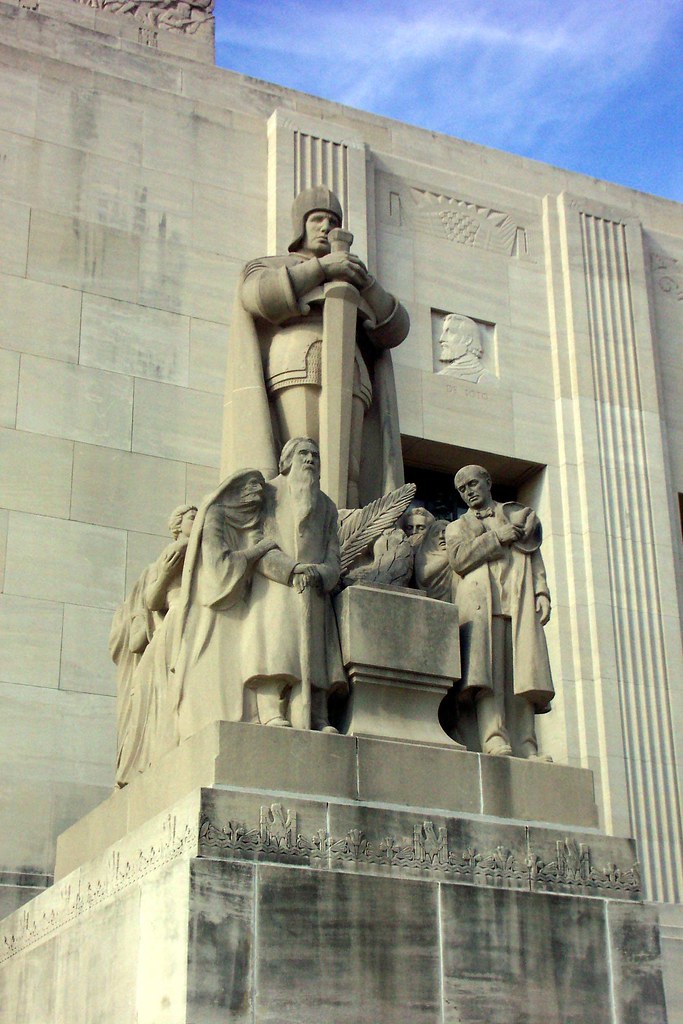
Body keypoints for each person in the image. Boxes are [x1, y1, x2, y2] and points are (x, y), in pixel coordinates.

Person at [222, 186, 410, 507]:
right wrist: (321, 270)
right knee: (303, 456)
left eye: (333, 221)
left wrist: (363, 281)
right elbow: (257, 296)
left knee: (349, 472)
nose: (326, 227)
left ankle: (344, 536)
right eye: (318, 219)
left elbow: (396, 326)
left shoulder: (357, 279)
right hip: (297, 366)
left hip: (351, 374)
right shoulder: (273, 265)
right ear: (301, 226)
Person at [445, 465, 554, 760]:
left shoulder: (516, 516)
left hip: (517, 604)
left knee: (523, 676)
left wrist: (541, 592)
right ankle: (493, 738)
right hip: (482, 608)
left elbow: (534, 558)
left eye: (472, 483)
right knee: (489, 677)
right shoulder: (457, 527)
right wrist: (497, 538)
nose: (468, 491)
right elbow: (459, 559)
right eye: (462, 488)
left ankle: (527, 744)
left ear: (488, 481)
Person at [243, 437, 346, 731]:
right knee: (276, 652)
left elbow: (333, 554)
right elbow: (255, 542)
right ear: (287, 460)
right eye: (303, 453)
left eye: (315, 454)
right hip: (276, 587)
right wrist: (291, 569)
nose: (311, 459)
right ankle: (272, 710)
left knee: (317, 658)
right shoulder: (267, 494)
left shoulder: (327, 505)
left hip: (314, 590)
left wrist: (322, 574)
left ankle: (318, 715)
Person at [110, 502, 197, 787]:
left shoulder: (202, 547)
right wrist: (166, 574)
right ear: (177, 525)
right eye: (191, 517)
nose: (197, 521)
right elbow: (152, 602)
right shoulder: (173, 552)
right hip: (176, 620)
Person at [438, 313, 497, 385]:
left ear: (468, 340)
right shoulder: (443, 375)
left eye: (450, 332)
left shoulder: (490, 380)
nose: (441, 339)